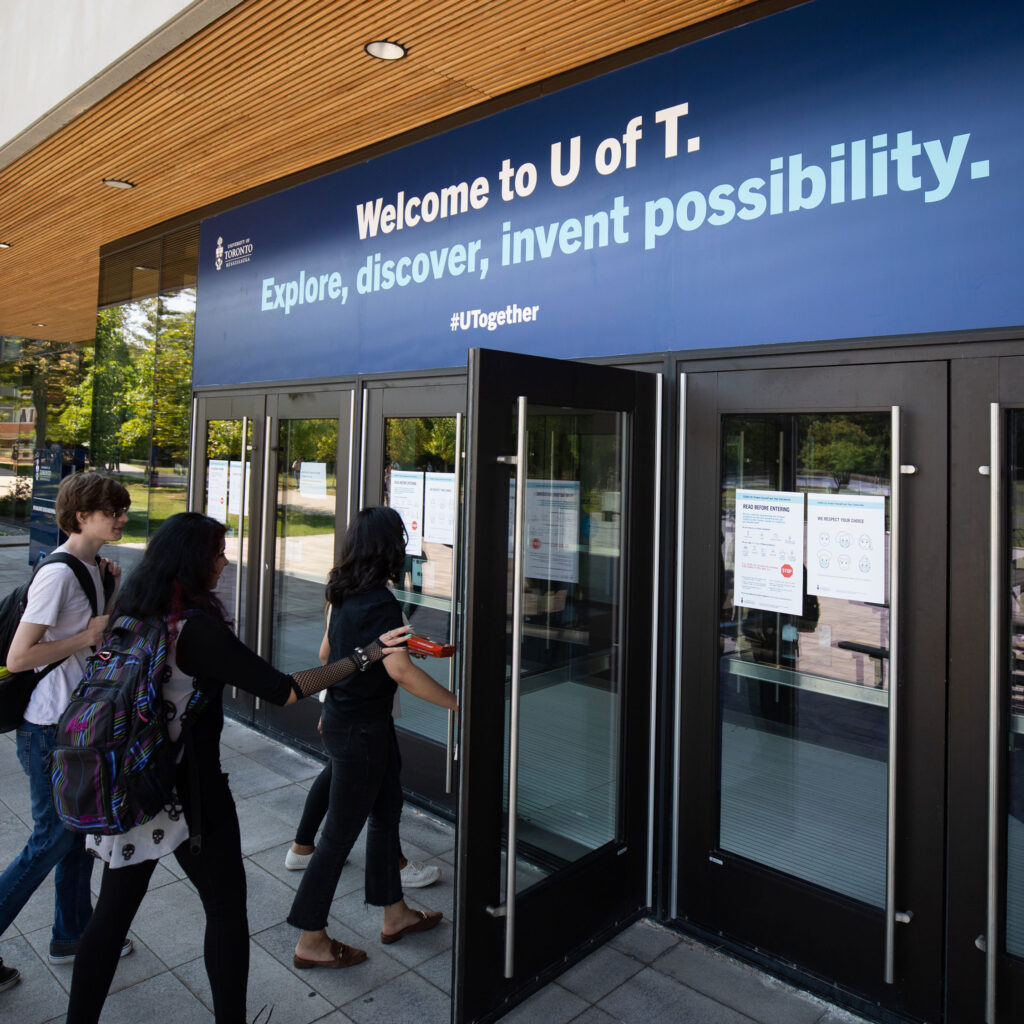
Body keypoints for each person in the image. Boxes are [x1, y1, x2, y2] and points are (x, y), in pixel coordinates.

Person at [64, 512, 410, 1024]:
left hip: (133, 785)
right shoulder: (195, 629)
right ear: (191, 560)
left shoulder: (136, 610)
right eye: (218, 553)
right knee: (225, 911)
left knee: (111, 919)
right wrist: (363, 657)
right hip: (188, 795)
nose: (225, 563)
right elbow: (284, 689)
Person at [288, 506, 458, 968]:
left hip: (354, 720)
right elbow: (399, 671)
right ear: (390, 547)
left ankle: (396, 913)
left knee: (386, 816)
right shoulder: (381, 601)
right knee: (339, 837)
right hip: (363, 729)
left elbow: (329, 652)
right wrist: (456, 702)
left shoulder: (342, 591)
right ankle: (310, 937)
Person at [0, 473, 130, 995]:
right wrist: (87, 632)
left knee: (75, 835)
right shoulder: (58, 574)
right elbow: (19, 657)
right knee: (52, 839)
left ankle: (71, 934)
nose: (123, 517)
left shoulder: (96, 568)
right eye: (113, 510)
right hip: (47, 729)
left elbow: (91, 646)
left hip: (74, 725)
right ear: (82, 516)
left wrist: (111, 597)